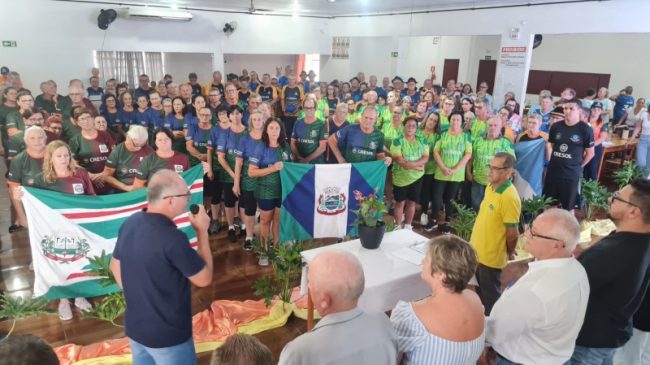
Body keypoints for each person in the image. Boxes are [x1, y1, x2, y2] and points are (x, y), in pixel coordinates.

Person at [110, 169, 213, 365]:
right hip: (168, 336)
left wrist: (142, 298)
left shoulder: (131, 222)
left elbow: (115, 266)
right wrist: (202, 232)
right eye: (185, 194)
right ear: (170, 200)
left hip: (135, 328)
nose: (188, 199)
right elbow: (204, 278)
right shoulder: (173, 238)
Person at [487, 208, 589, 365]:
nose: (526, 234)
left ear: (557, 245)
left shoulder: (535, 290)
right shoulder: (577, 269)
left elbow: (496, 332)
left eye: (534, 233)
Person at [571, 179, 650, 364]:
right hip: (611, 335)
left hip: (589, 341)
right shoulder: (639, 240)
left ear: (633, 211)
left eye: (617, 197)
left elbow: (571, 286)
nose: (609, 199)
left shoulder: (614, 253)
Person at [279, 251, 397, 364]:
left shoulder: (299, 353)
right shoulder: (383, 322)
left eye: (310, 283)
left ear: (325, 300)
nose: (308, 286)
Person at [391, 235, 484, 364]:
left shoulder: (411, 316)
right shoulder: (475, 300)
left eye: (427, 259)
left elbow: (390, 358)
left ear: (442, 275)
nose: (422, 261)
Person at [31, 140, 95, 319]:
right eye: (59, 156)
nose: (63, 159)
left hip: (78, 227)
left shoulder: (80, 173)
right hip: (54, 230)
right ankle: (64, 300)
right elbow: (34, 203)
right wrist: (20, 195)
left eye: (66, 155)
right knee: (61, 262)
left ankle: (80, 295)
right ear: (50, 158)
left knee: (81, 259)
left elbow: (91, 198)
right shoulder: (41, 179)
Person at [469, 152, 520, 315]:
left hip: (490, 258)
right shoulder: (490, 187)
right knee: (479, 293)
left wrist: (510, 252)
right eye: (489, 167)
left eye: (495, 168)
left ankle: (493, 332)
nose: (489, 171)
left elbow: (512, 233)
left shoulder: (509, 197)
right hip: (477, 251)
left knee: (491, 298)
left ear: (508, 171)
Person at [543, 100, 595, 211]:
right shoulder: (556, 127)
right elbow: (551, 145)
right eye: (565, 108)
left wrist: (578, 166)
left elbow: (590, 153)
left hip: (570, 175)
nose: (567, 111)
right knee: (549, 206)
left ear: (579, 111)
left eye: (571, 108)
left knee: (569, 208)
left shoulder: (586, 129)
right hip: (553, 173)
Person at [249, 118, 291, 249]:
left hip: (282, 191)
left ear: (281, 131)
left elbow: (290, 167)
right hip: (265, 191)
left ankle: (277, 248)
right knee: (265, 221)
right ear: (266, 130)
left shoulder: (285, 146)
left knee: (278, 220)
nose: (274, 131)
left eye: (277, 128)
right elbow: (251, 172)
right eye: (271, 128)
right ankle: (264, 250)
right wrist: (273, 168)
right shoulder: (260, 147)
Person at [428, 111, 472, 233]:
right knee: (436, 197)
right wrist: (442, 167)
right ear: (449, 120)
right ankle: (434, 220)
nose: (455, 122)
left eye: (458, 120)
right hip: (440, 172)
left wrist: (455, 169)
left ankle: (447, 222)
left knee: (450, 199)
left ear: (462, 122)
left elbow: (468, 154)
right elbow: (436, 152)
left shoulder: (466, 136)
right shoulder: (442, 134)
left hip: (456, 175)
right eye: (453, 119)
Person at [467, 118, 515, 211]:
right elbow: (471, 158)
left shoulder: (505, 143)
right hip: (478, 179)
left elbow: (511, 161)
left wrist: (508, 175)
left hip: (497, 182)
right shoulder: (478, 141)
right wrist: (468, 172)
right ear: (486, 126)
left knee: (493, 207)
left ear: (500, 127)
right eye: (490, 125)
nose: (492, 128)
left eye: (495, 125)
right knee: (476, 205)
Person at [390, 116, 429, 230]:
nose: (411, 128)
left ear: (416, 128)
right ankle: (397, 226)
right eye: (408, 125)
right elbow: (399, 160)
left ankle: (407, 226)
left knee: (412, 203)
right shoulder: (397, 141)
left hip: (417, 178)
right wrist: (417, 166)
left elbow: (426, 157)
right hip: (400, 178)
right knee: (400, 203)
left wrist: (410, 165)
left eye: (414, 126)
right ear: (404, 126)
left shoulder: (422, 140)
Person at [234, 109, 265, 251]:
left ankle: (266, 238)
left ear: (264, 120)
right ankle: (249, 237)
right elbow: (238, 163)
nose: (257, 122)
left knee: (266, 212)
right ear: (251, 122)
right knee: (249, 211)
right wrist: (236, 183)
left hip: (267, 182)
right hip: (248, 181)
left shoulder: (268, 137)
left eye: (260, 119)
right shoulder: (245, 139)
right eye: (255, 119)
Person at [7, 126, 47, 231]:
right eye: (32, 138)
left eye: (40, 137)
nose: (37, 141)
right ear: (26, 141)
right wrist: (22, 218)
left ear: (46, 139)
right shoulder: (18, 160)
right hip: (33, 206)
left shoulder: (56, 155)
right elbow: (14, 190)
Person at [217, 106, 248, 242]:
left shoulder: (248, 133)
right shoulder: (224, 134)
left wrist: (240, 175)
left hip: (245, 175)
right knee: (229, 202)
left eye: (238, 113)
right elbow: (220, 157)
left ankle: (243, 225)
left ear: (242, 115)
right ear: (229, 116)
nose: (235, 116)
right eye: (233, 114)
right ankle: (230, 228)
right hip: (228, 174)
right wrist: (233, 174)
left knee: (244, 202)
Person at [68, 107, 115, 194]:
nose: (86, 121)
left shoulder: (105, 135)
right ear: (77, 122)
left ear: (93, 119)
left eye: (88, 117)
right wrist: (90, 176)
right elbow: (74, 164)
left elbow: (115, 157)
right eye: (82, 119)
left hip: (108, 179)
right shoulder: (74, 141)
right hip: (88, 183)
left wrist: (104, 174)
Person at [102, 125, 153, 192]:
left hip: (144, 189)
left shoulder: (148, 149)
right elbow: (106, 176)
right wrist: (125, 187)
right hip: (124, 190)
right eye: (136, 144)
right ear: (128, 138)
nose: (139, 147)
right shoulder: (117, 151)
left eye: (142, 144)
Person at [291, 98, 327, 164]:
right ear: (303, 108)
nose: (308, 110)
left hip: (315, 164)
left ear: (315, 108)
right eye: (306, 108)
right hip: (299, 162)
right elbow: (292, 143)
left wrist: (306, 160)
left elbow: (322, 147)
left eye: (311, 108)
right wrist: (298, 157)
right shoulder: (297, 122)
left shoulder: (321, 124)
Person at [583, 101, 608, 181]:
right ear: (591, 109)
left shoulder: (603, 123)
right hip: (582, 146)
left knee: (592, 169)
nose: (596, 111)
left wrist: (591, 145)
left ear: (601, 111)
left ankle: (591, 190)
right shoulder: (584, 119)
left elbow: (602, 138)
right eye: (594, 109)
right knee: (582, 168)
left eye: (598, 109)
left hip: (595, 147)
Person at [281, 75, 304, 140]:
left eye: (293, 79)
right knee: (288, 131)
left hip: (296, 113)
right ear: (288, 80)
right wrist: (283, 109)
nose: (291, 81)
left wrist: (297, 109)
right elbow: (282, 99)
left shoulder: (299, 88)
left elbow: (302, 100)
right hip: (287, 114)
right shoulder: (284, 87)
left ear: (295, 80)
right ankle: (288, 145)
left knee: (296, 131)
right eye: (290, 79)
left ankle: (295, 146)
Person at [629, 107, 650, 177]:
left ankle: (644, 184)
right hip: (643, 140)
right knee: (641, 163)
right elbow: (638, 127)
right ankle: (638, 182)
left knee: (648, 166)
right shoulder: (644, 114)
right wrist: (631, 140)